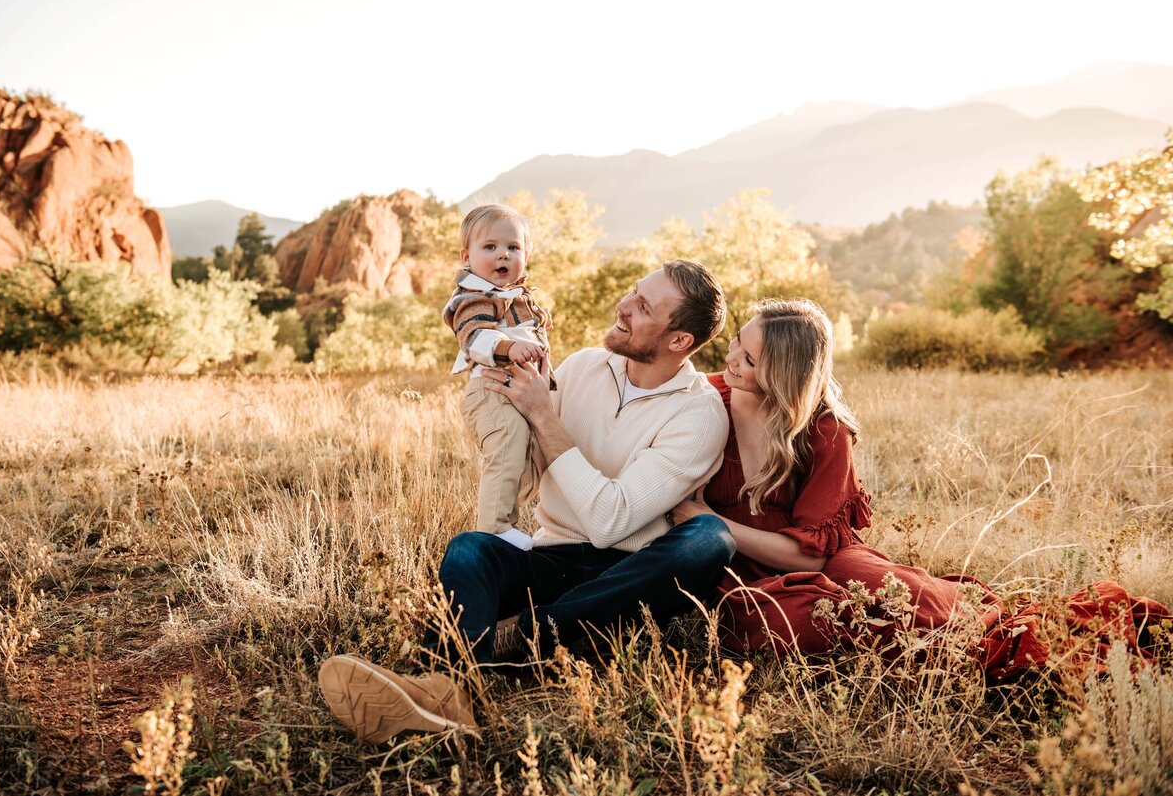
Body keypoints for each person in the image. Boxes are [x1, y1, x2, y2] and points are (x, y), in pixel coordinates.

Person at [319, 259, 737, 744]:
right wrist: (496, 396)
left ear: (679, 341)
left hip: (627, 579)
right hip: (551, 557)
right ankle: (447, 691)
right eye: (632, 292)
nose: (622, 307)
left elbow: (610, 522)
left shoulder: (699, 413)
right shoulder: (582, 366)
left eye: (642, 306)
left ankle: (521, 637)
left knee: (710, 540)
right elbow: (532, 460)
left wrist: (544, 416)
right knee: (472, 549)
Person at [670, 298, 1170, 678]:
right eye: (738, 340)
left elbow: (813, 558)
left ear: (786, 374)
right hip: (742, 577)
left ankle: (1046, 641)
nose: (733, 358)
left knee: (936, 616)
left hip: (824, 561)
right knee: (784, 624)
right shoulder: (700, 403)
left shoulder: (823, 429)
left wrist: (715, 522)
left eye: (752, 359)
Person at [442, 204, 554, 552]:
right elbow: (473, 337)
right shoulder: (474, 296)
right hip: (490, 390)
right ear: (467, 256)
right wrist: (506, 347)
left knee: (526, 455)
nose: (502, 254)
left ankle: (514, 521)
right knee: (506, 445)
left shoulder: (520, 298)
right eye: (489, 247)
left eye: (513, 247)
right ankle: (493, 527)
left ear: (526, 254)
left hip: (517, 391)